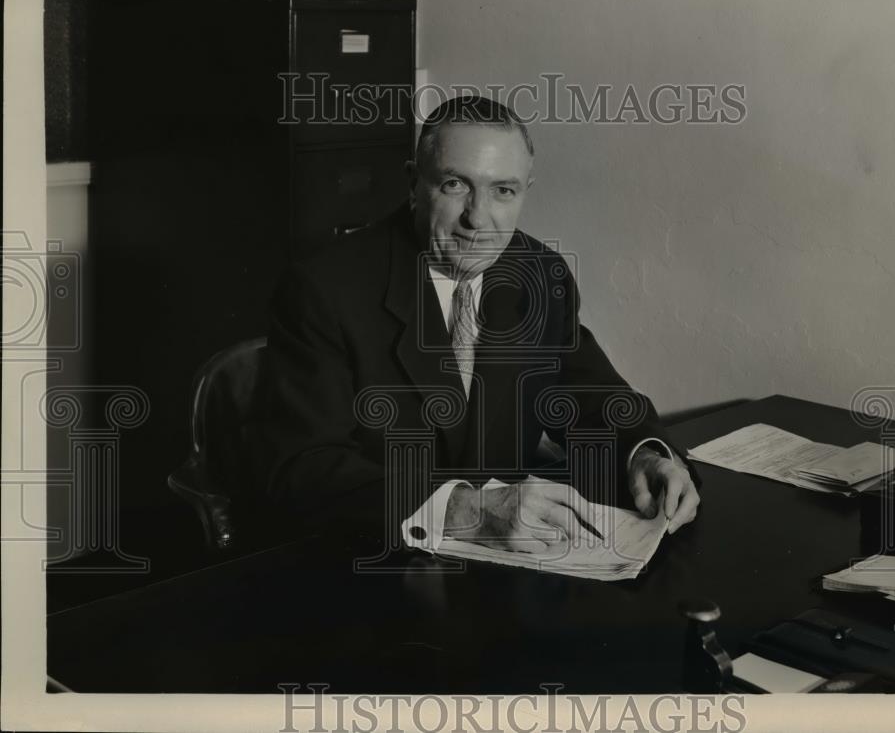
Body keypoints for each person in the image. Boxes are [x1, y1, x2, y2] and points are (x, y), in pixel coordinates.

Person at [257, 96, 700, 555]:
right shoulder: (325, 289)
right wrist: (466, 511)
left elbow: (591, 398)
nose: (477, 218)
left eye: (503, 191)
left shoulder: (540, 276)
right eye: (455, 185)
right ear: (413, 183)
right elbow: (301, 467)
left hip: (511, 562)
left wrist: (645, 456)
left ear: (526, 190)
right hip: (374, 561)